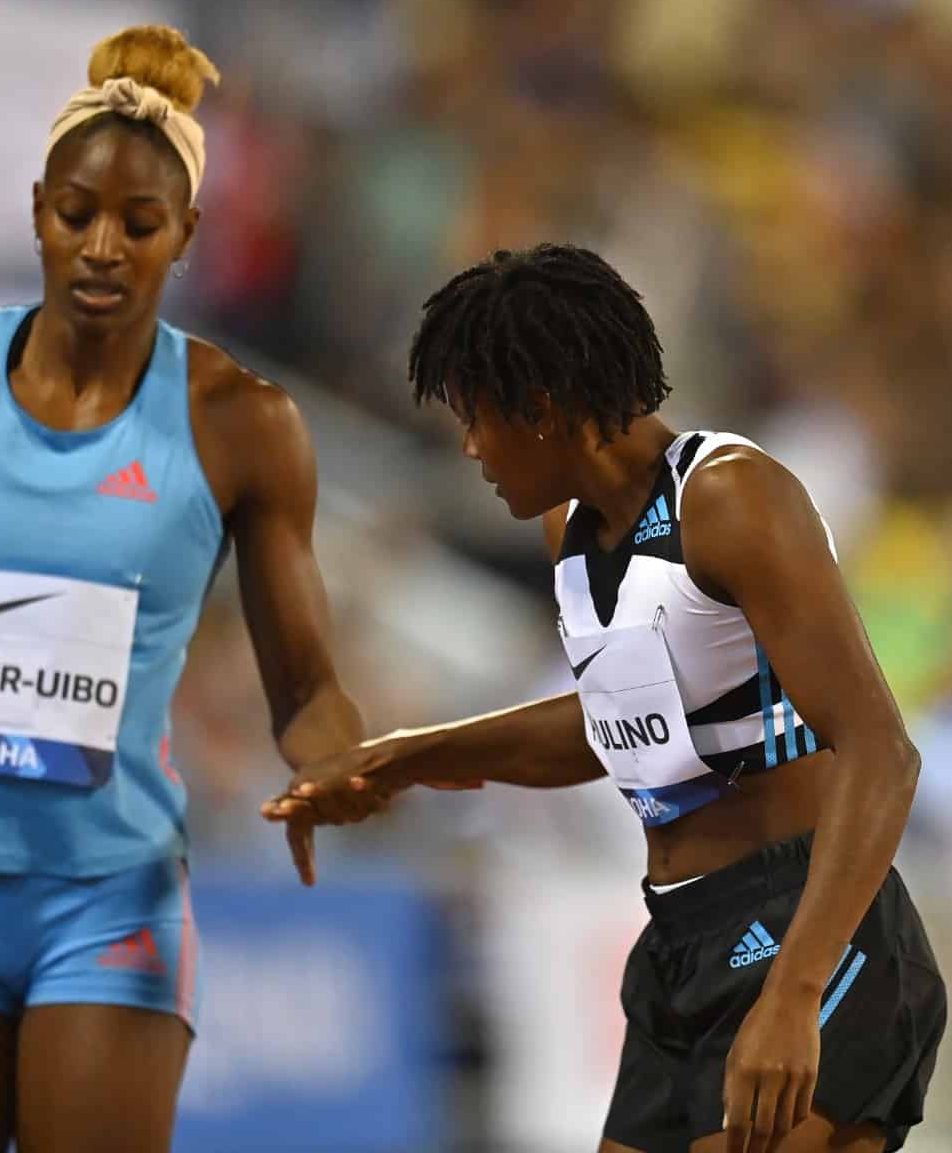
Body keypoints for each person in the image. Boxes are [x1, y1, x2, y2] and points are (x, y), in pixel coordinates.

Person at [0, 24, 375, 1153]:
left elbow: (307, 687)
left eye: (139, 225)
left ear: (184, 234)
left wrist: (339, 763)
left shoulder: (241, 425)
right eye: (76, 213)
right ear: (37, 206)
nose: (101, 246)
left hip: (110, 897)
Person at [264, 244, 946, 1153]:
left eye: (477, 418)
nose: (468, 447)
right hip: (677, 945)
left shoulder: (733, 499)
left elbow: (881, 752)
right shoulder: (572, 532)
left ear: (542, 411)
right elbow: (614, 730)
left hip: (805, 931)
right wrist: (403, 759)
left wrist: (794, 992)